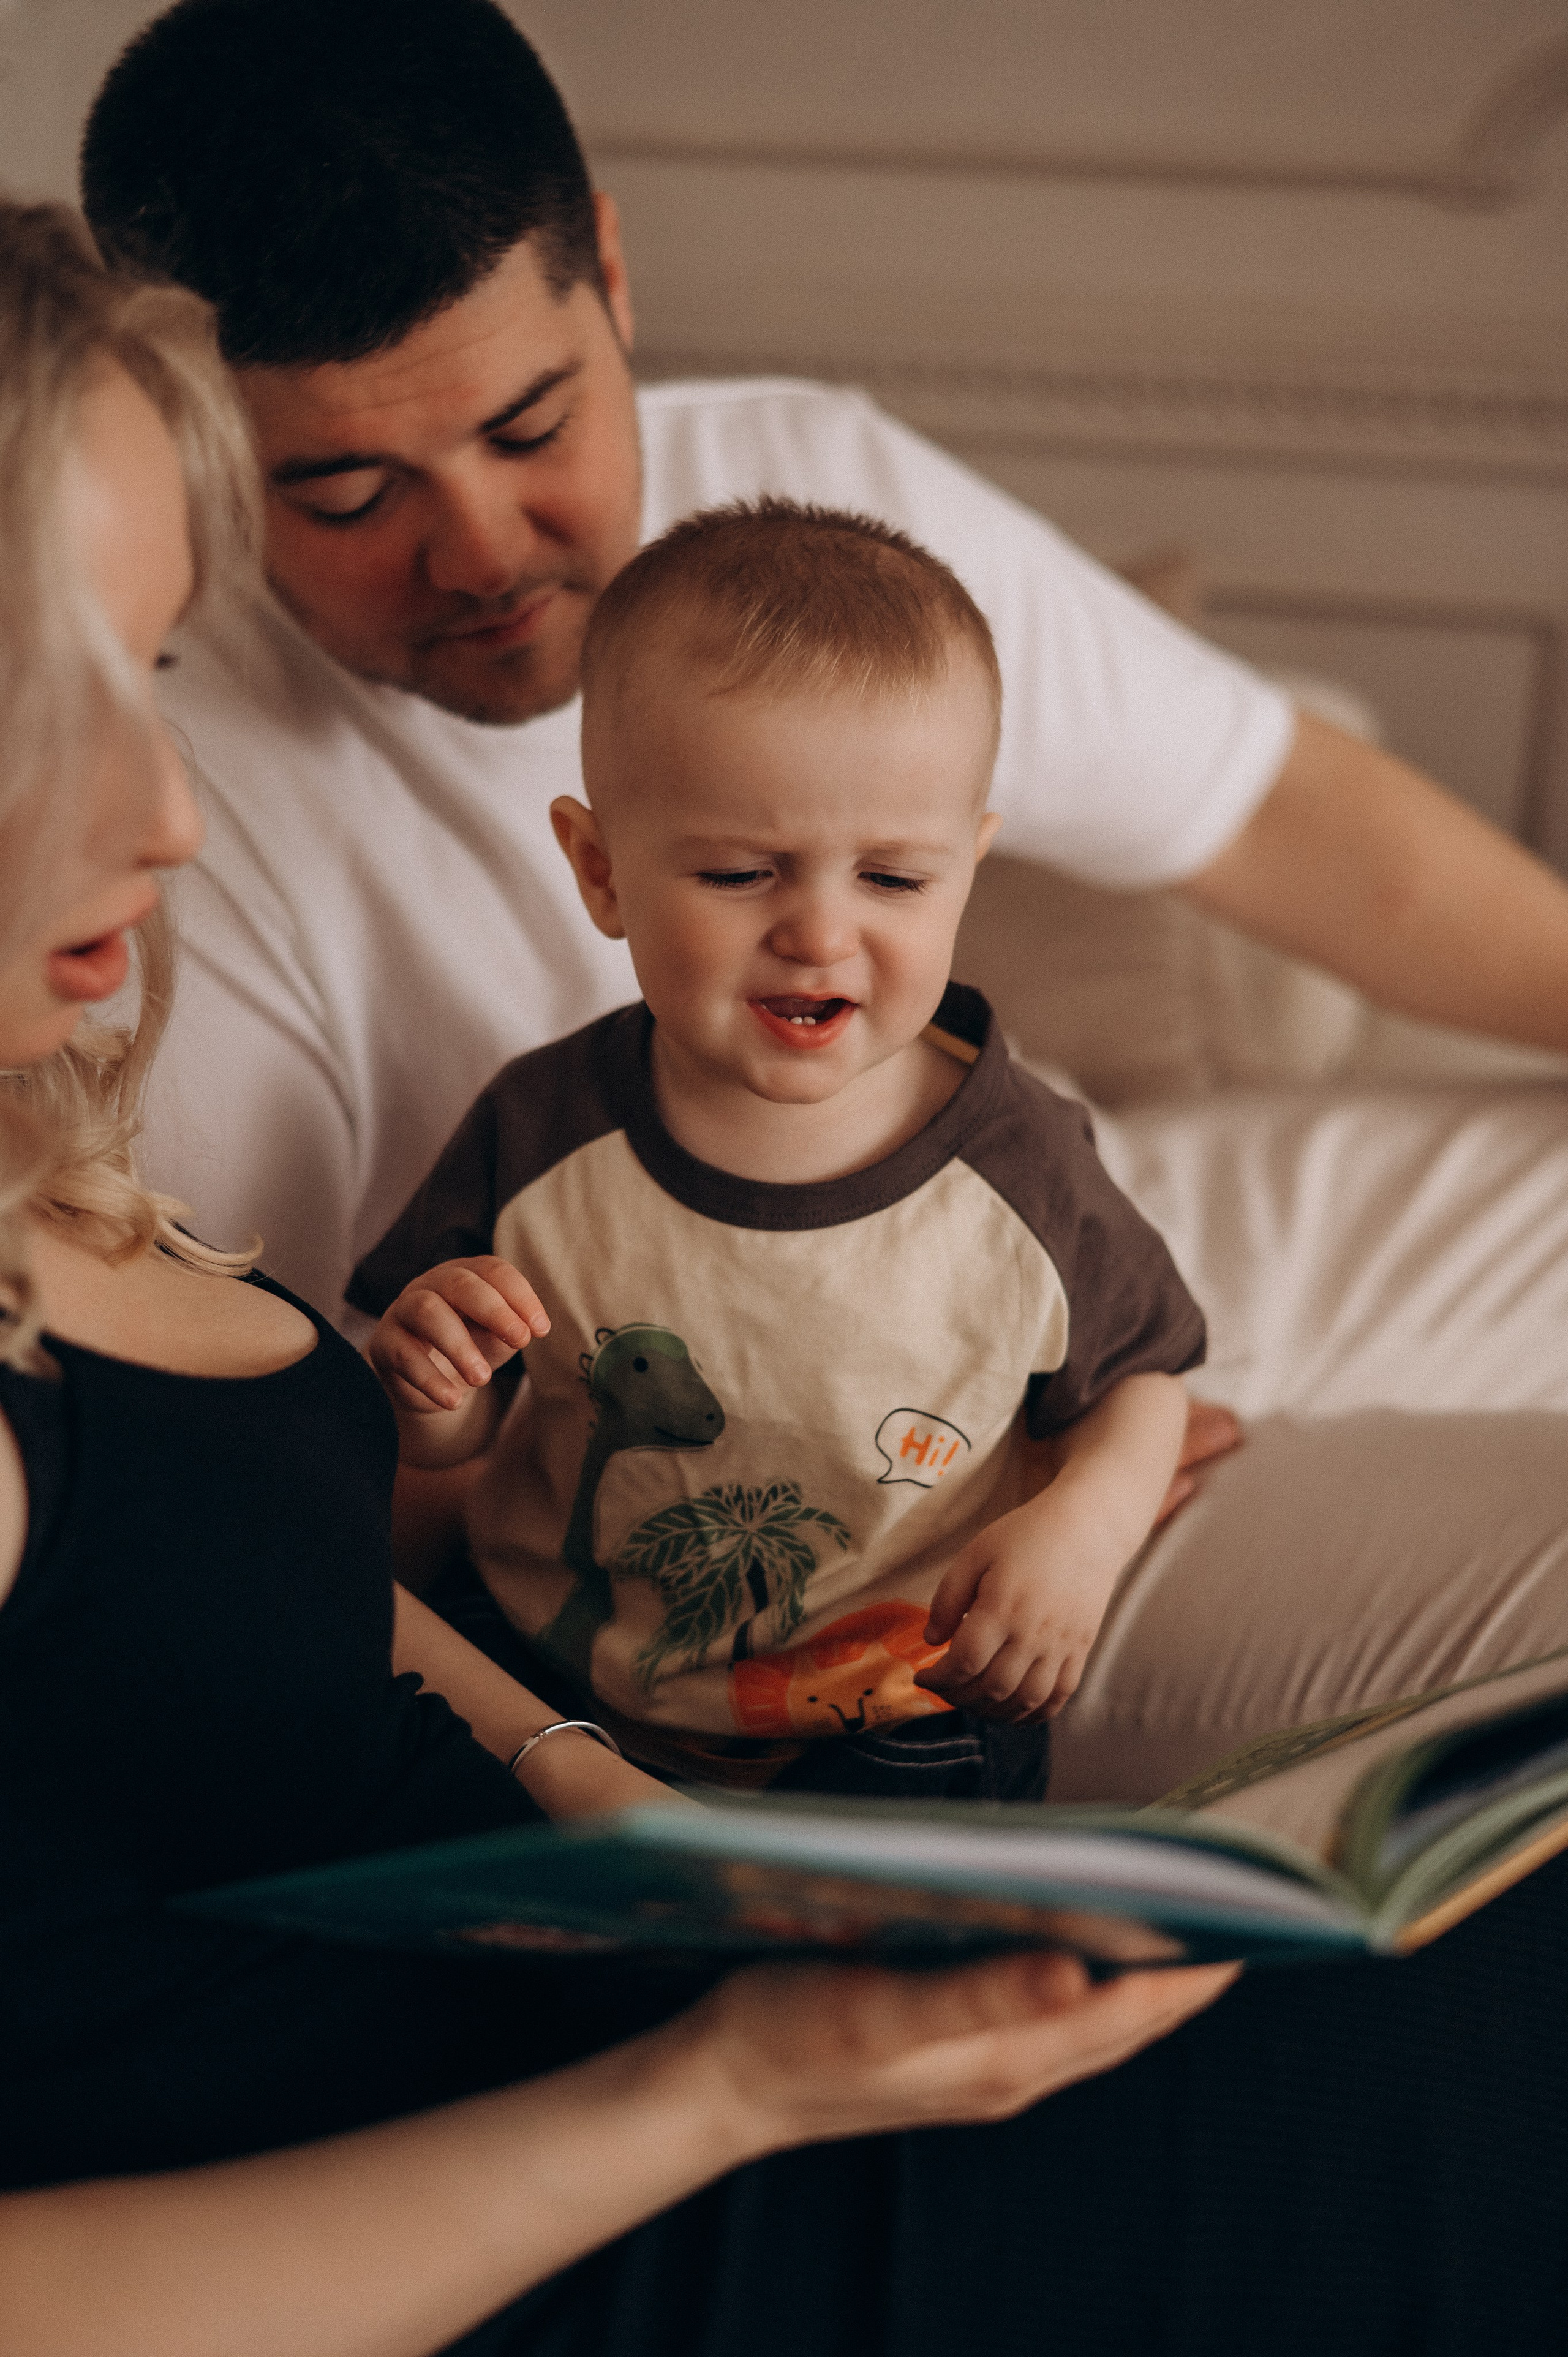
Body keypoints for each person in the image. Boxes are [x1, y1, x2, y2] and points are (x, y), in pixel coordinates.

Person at [74, 0, 1568, 1805]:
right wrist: (607, 1783)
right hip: (764, 1594)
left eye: (533, 423)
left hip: (1031, 1290)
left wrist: (1088, 1468)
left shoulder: (800, 489)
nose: (478, 550)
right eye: (348, 488)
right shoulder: (159, 809)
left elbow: (1288, 820)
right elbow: (298, 1531)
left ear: (611, 273)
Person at [0, 195, 1240, 2356]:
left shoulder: (59, 1143)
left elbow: (300, 1585)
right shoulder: (547, 1142)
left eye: (160, 668)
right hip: (531, 2168)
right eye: (48, 692)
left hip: (645, 1916)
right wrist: (725, 2076)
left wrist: (599, 1796)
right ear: (608, 868)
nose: (175, 807)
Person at [356, 500, 1202, 1797]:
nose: (818, 934)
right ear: (602, 873)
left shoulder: (1015, 1164)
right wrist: (430, 1381)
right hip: (547, 1675)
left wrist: (1079, 1530)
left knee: (891, 1951)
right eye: (743, 873)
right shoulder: (539, 1131)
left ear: (966, 873)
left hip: (899, 1704)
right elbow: (440, 1442)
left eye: (892, 879)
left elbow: (1145, 1376)